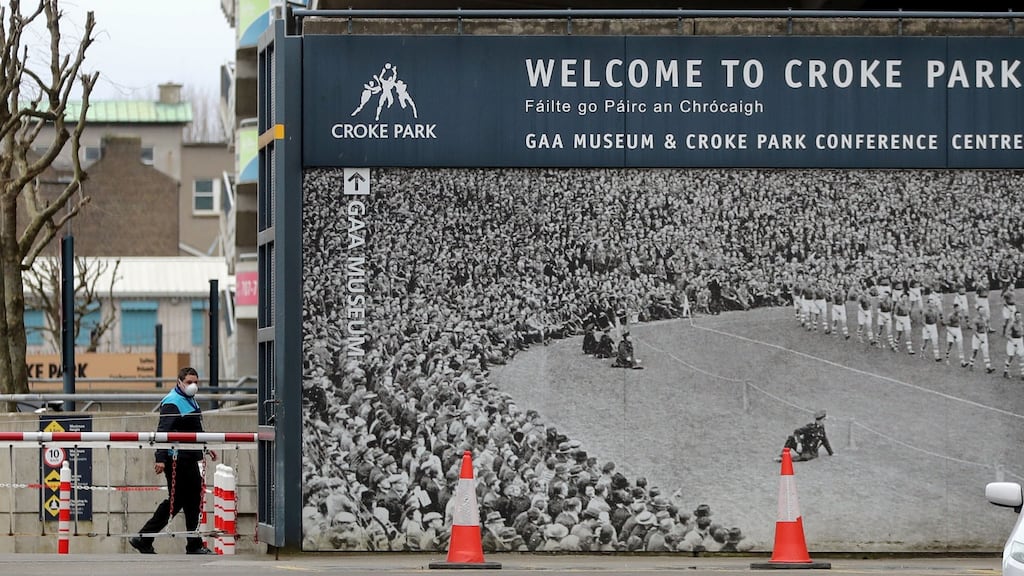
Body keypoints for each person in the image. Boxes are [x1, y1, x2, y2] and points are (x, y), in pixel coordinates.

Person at [130, 367, 215, 555]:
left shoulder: (188, 399)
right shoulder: (172, 402)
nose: (193, 385)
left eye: (196, 382)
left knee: (192, 499)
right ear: (179, 382)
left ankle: (191, 544)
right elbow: (163, 432)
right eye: (189, 382)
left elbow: (194, 430)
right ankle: (144, 537)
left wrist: (205, 447)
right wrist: (160, 458)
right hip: (177, 459)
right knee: (178, 501)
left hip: (189, 457)